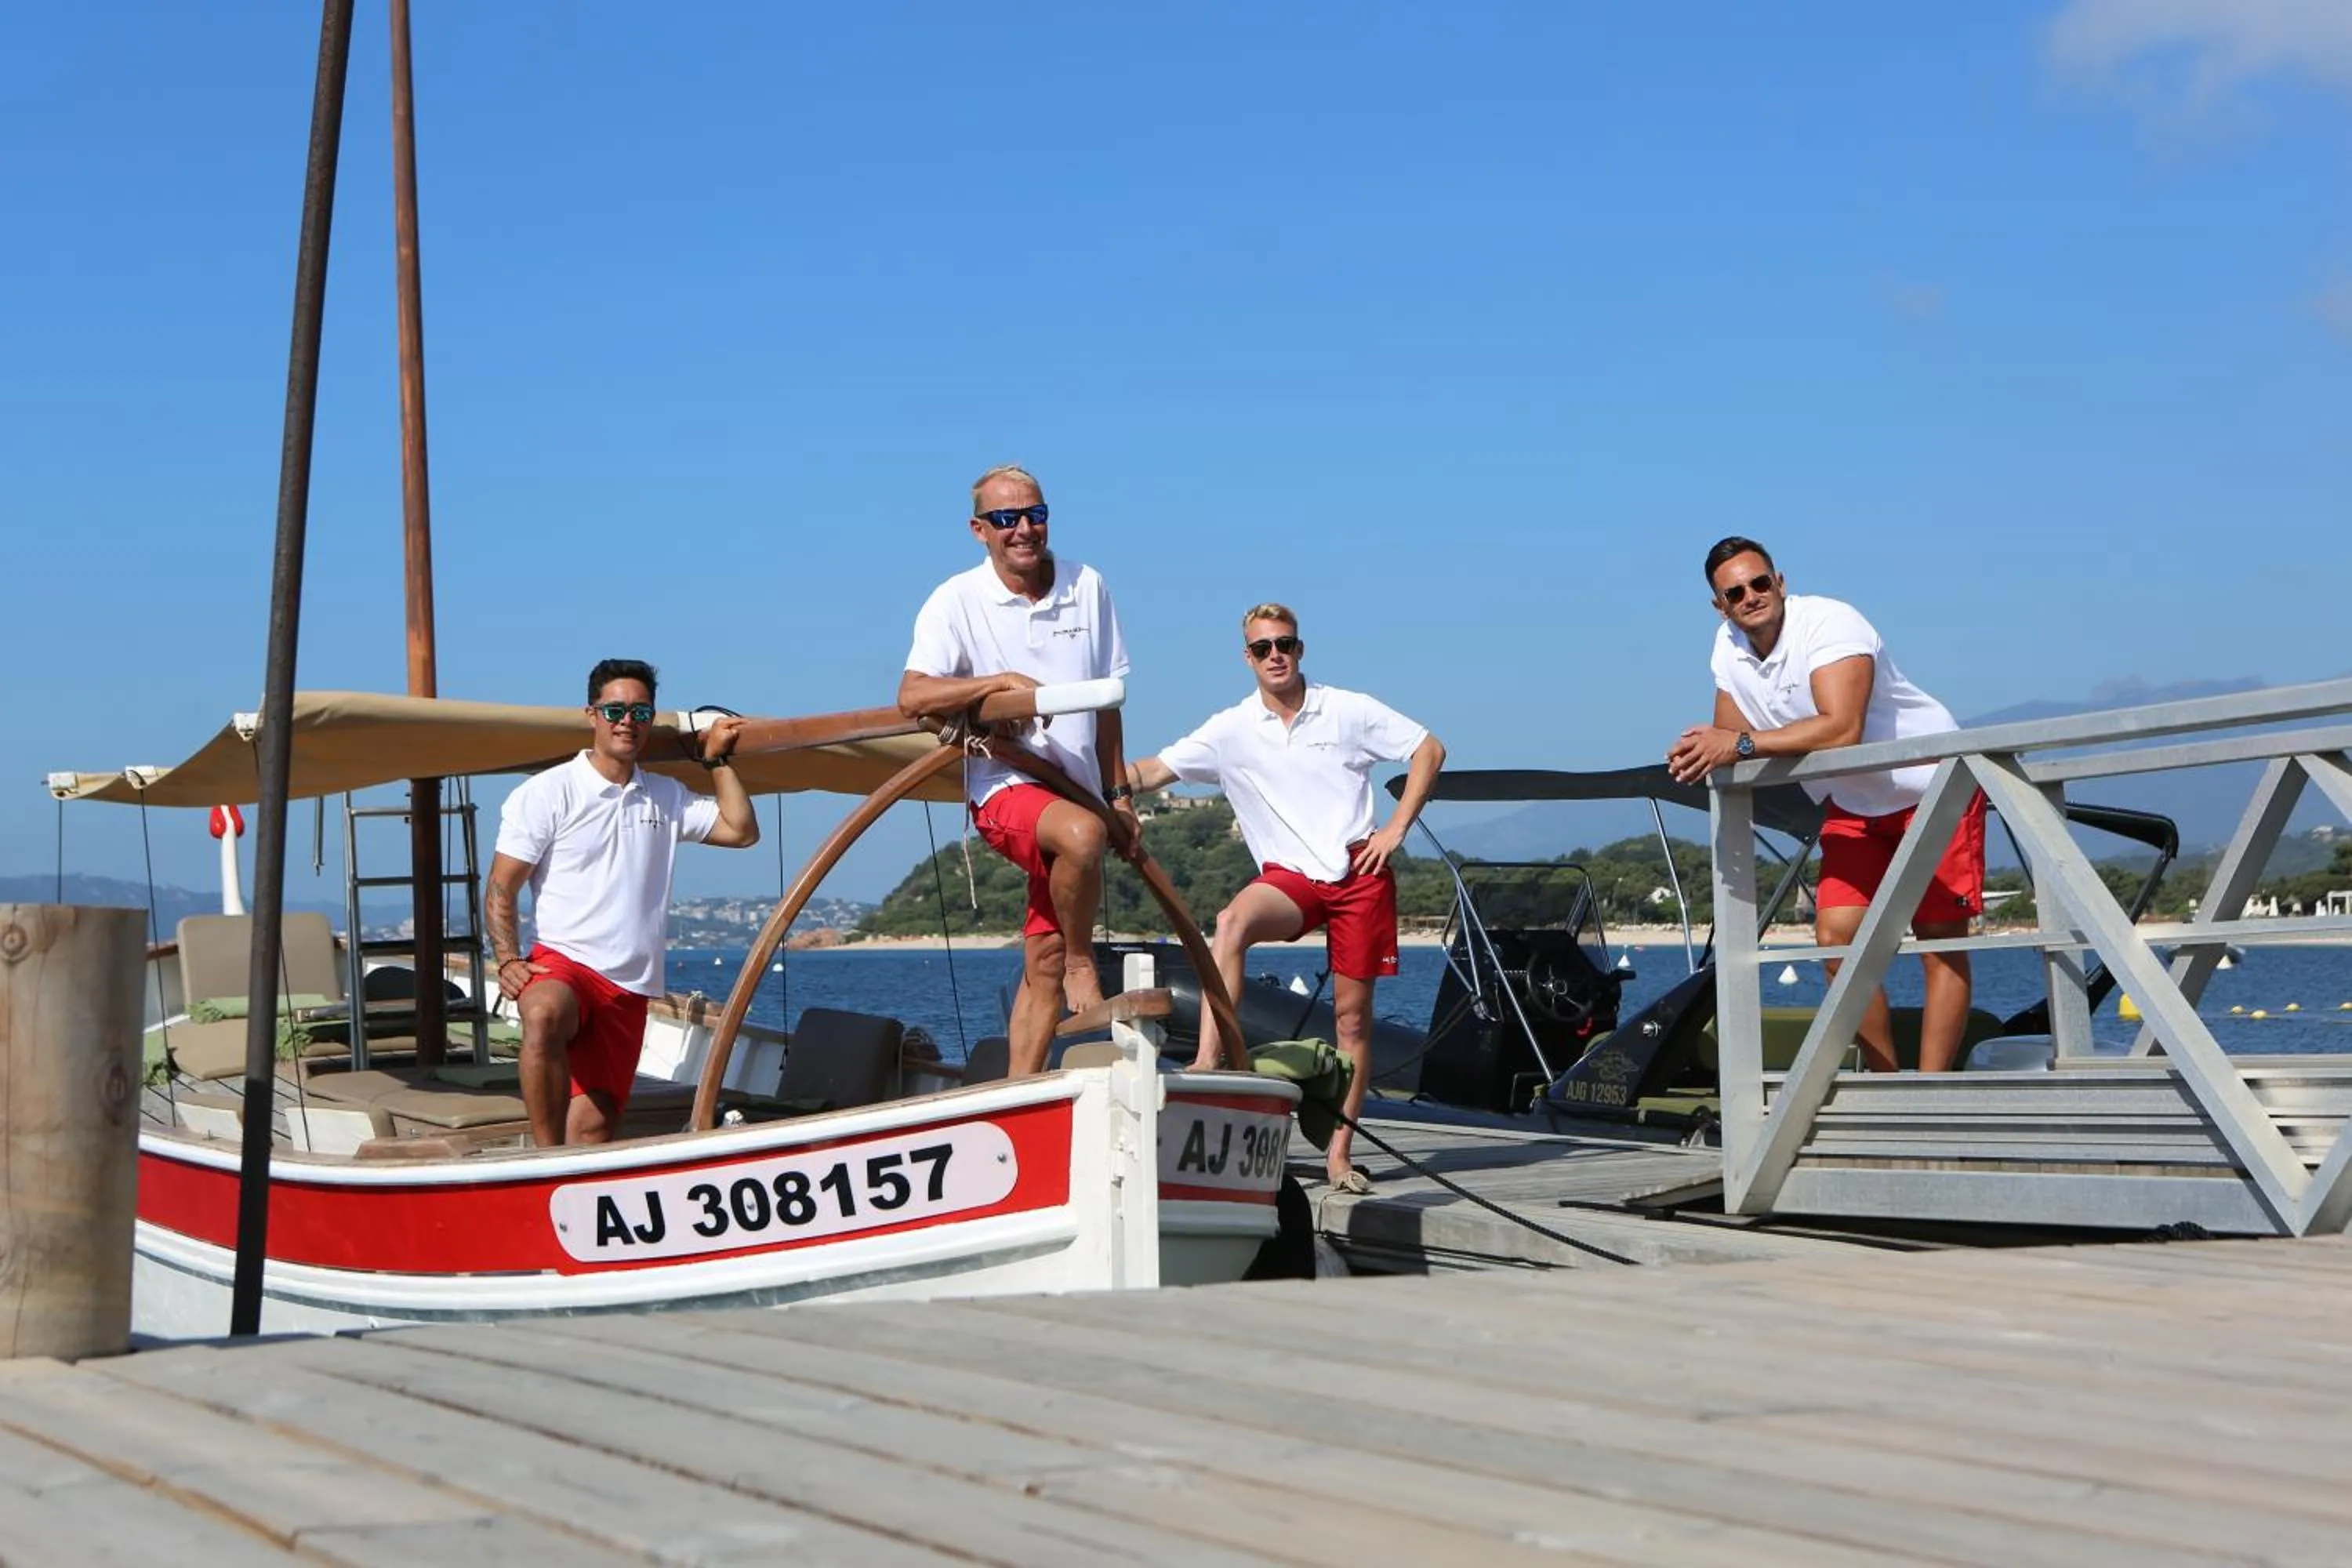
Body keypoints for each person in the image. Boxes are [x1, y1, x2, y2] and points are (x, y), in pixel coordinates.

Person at [1127, 603, 1444, 1192]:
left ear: (1301, 650)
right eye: (1262, 648)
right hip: (1290, 878)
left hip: (1358, 871)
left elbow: (1429, 748)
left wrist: (1395, 828)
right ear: (1245, 657)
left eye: (1285, 645)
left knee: (1352, 1022)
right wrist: (1089, 778)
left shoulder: (1346, 709)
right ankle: (1207, 1061)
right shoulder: (1230, 729)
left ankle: (1339, 1157)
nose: (1275, 655)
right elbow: (1148, 772)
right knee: (1232, 920)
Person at [1665, 537, 1985, 1073]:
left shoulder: (1831, 624)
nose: (1751, 597)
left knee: (1939, 942)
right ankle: (1889, 1088)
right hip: (1855, 805)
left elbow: (1841, 729)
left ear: (1781, 582)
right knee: (1836, 940)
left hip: (1932, 785)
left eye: (1760, 583)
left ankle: (1933, 1090)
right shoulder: (1728, 646)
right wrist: (1703, 750)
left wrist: (1738, 744)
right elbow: (1727, 731)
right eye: (1735, 592)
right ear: (1720, 606)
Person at [898, 464, 1136, 1078]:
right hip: (1007, 785)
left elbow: (1109, 702)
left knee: (1044, 958)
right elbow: (914, 695)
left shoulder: (1088, 586)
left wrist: (1120, 795)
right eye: (1006, 519)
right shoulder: (956, 600)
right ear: (980, 530)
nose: (1024, 529)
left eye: (1035, 514)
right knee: (1082, 837)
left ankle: (1017, 1093)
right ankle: (1088, 960)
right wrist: (998, 683)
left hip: (1079, 788)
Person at [486, 659, 759, 1145]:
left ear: (651, 720)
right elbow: (502, 885)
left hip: (629, 988)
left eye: (640, 711)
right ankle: (543, 1162)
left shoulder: (666, 796)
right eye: (615, 709)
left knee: (594, 1131)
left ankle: (572, 1190)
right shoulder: (547, 793)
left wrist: (716, 762)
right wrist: (506, 958)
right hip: (564, 962)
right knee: (543, 1011)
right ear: (592, 714)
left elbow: (740, 832)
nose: (626, 721)